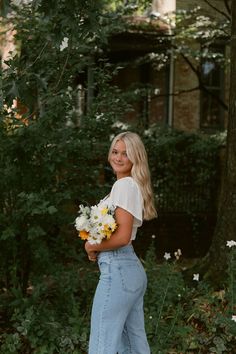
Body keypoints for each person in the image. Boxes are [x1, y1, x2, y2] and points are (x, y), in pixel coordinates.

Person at [85, 131, 157, 354]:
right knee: (134, 346)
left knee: (102, 345)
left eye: (125, 154)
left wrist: (92, 246)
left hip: (118, 271)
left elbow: (123, 237)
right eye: (115, 152)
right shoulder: (130, 186)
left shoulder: (124, 186)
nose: (118, 157)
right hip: (130, 271)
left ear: (135, 158)